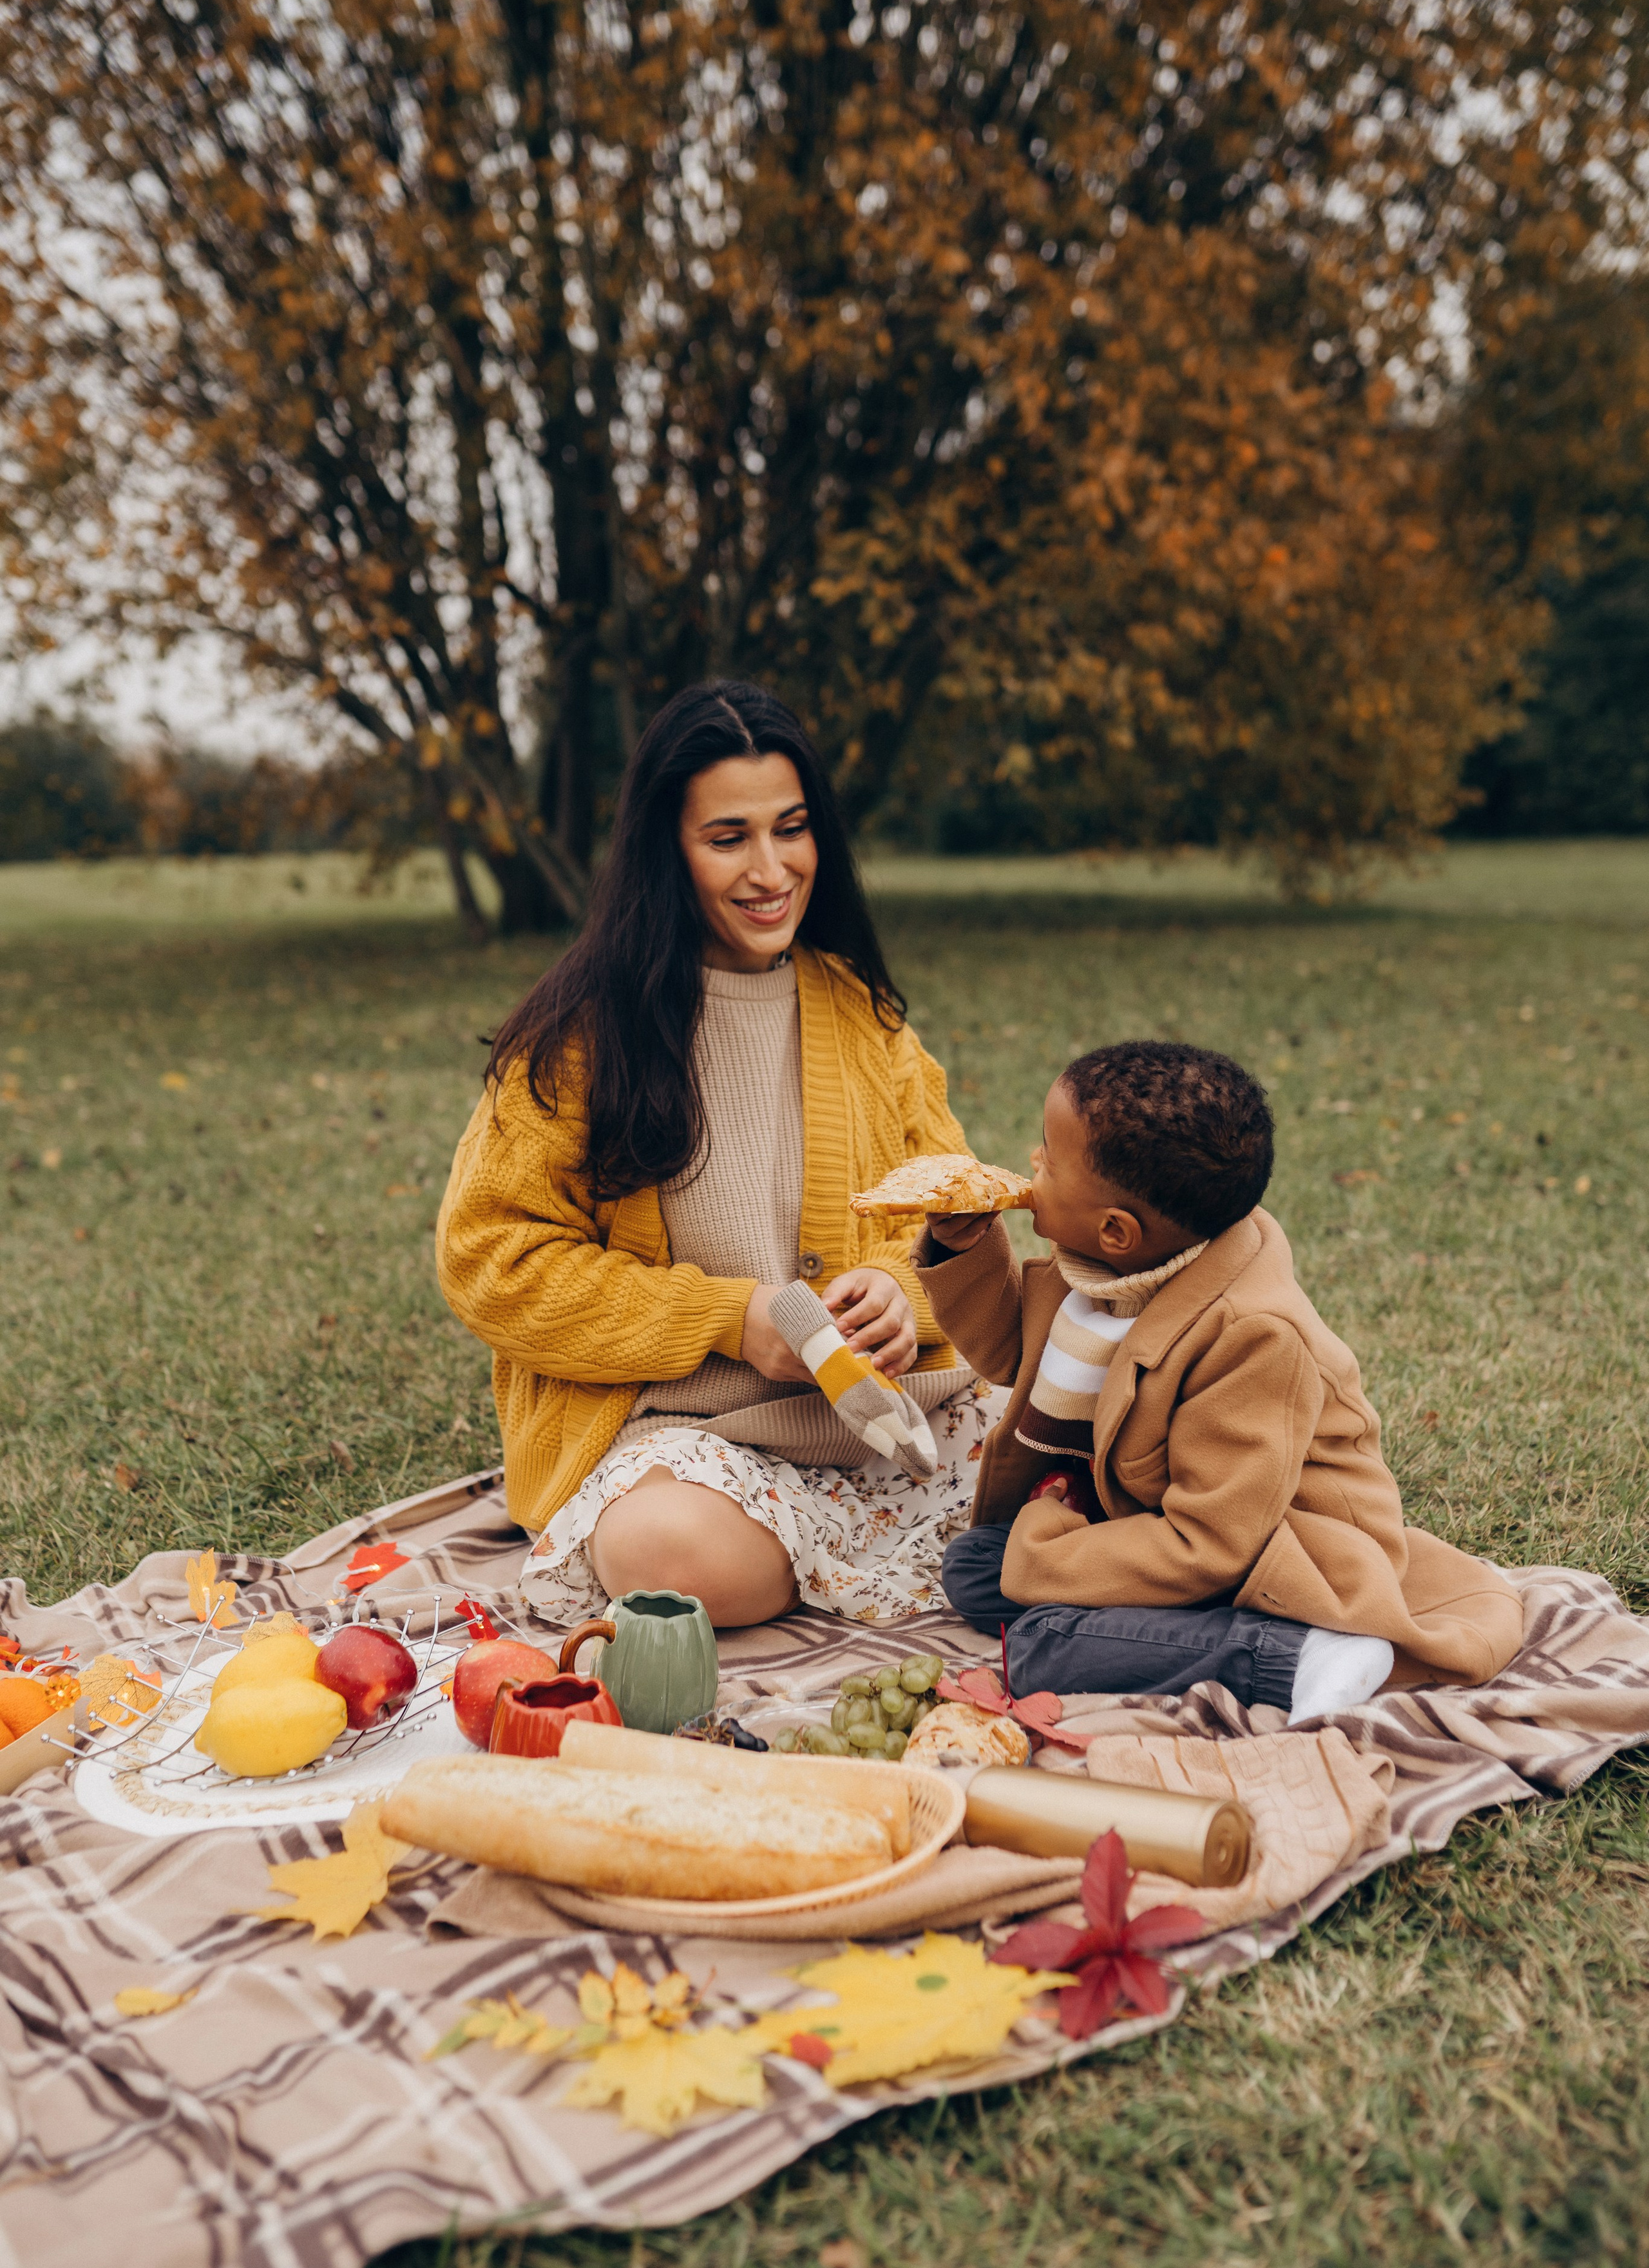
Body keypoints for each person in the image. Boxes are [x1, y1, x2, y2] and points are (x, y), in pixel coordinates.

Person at [435, 680, 993, 1631]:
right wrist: (731, 1320)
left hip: (889, 1423)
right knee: (670, 1554)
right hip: (686, 1447)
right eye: (729, 838)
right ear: (667, 850)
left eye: (792, 829)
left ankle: (875, 1546)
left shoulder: (861, 1013)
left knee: (1107, 1426)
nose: (772, 870)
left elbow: (953, 1217)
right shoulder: (577, 1040)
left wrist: (902, 1291)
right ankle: (930, 1550)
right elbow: (491, 1262)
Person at [923, 1041, 1525, 1722]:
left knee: (1041, 1646)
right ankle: (1154, 1630)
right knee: (975, 1567)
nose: (1033, 1162)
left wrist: (1047, 1546)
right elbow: (1016, 1354)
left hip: (1273, 1551)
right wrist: (963, 1248)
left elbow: (1212, 1543)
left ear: (1116, 1230)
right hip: (1155, 1520)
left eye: (1049, 1161)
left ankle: (1294, 1654)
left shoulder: (1254, 1336)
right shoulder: (1114, 1270)